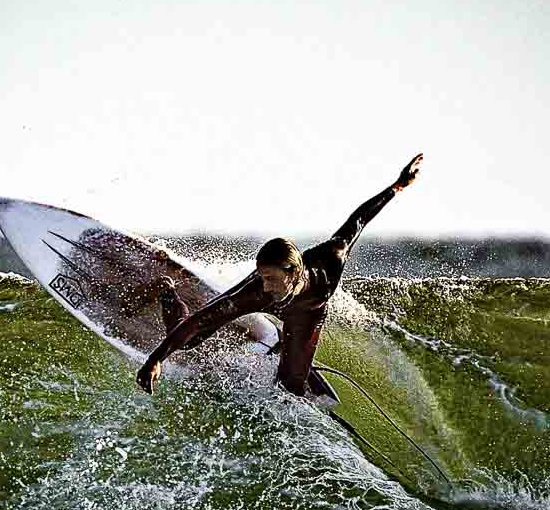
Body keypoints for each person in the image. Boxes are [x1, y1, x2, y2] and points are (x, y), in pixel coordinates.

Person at [136, 153, 423, 397]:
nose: (264, 283)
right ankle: (167, 292)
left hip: (306, 314)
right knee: (191, 339)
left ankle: (289, 348)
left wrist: (397, 186)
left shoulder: (330, 261)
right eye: (261, 275)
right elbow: (196, 323)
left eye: (271, 278)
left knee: (290, 388)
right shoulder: (256, 290)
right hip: (268, 305)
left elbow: (358, 220)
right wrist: (155, 359)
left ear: (295, 273)